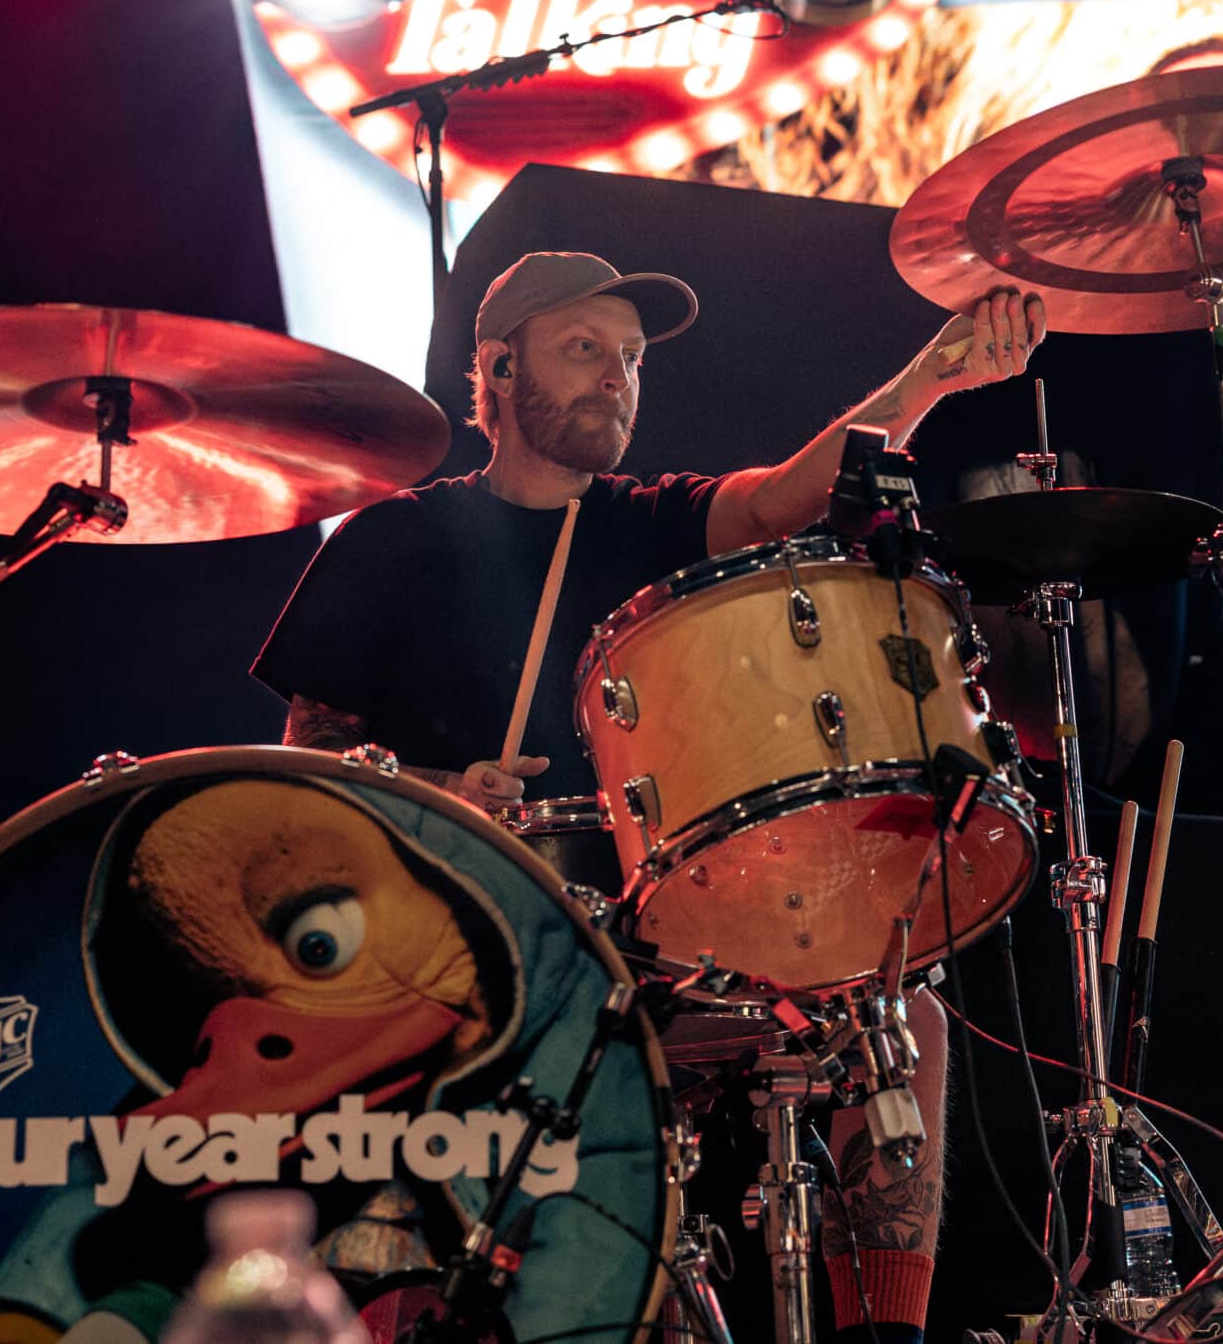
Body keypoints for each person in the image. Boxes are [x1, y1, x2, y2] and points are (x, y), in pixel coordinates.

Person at [253, 250, 1047, 1344]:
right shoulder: (395, 539)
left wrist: (930, 379)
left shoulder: (650, 518)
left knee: (896, 1009)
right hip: (459, 944)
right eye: (583, 349)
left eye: (630, 358)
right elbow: (310, 769)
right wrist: (443, 794)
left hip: (652, 945)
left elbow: (786, 493)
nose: (615, 377)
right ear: (496, 370)